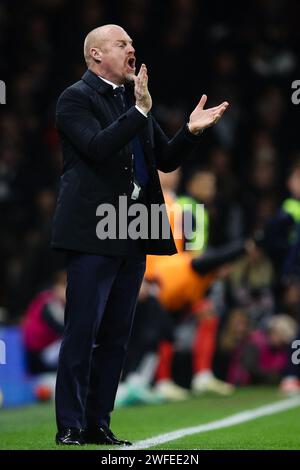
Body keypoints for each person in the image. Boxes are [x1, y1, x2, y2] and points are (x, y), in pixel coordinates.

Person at [52, 24, 229, 446]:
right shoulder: (75, 98)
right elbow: (96, 147)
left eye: (132, 43)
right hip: (94, 229)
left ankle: (98, 423)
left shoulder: (135, 101)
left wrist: (190, 131)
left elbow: (164, 161)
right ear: (96, 55)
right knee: (83, 331)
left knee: (116, 336)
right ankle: (71, 426)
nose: (132, 49)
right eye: (121, 44)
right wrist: (140, 112)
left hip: (133, 229)